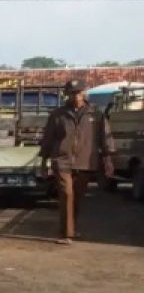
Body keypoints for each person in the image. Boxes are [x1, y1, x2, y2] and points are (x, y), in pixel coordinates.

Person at [38, 78, 115, 244]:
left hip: (85, 161)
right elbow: (48, 139)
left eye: (79, 93)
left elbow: (105, 138)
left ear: (84, 93)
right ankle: (67, 234)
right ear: (67, 95)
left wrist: (108, 160)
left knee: (76, 197)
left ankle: (71, 228)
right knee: (67, 194)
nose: (76, 96)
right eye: (72, 93)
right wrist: (44, 162)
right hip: (62, 160)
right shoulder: (58, 115)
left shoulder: (96, 114)